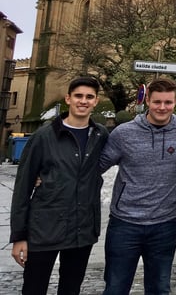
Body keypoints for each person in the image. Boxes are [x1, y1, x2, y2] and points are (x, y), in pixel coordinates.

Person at [100, 78, 176, 295]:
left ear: (175, 103)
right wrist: (52, 174)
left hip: (164, 225)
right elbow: (95, 167)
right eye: (157, 102)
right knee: (116, 287)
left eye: (168, 102)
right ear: (147, 101)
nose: (162, 107)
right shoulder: (124, 133)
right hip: (124, 224)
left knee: (159, 288)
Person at [10, 76, 108, 295]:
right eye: (79, 96)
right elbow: (23, 187)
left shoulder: (100, 135)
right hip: (44, 229)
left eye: (89, 97)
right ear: (68, 99)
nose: (83, 101)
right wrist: (19, 237)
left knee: (71, 288)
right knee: (34, 288)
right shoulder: (44, 136)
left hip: (82, 230)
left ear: (96, 101)